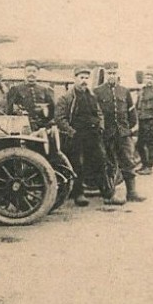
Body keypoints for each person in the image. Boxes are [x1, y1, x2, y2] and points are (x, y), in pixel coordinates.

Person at [56, 66, 120, 207]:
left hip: (93, 136)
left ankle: (108, 195)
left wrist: (101, 126)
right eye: (81, 78)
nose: (84, 81)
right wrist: (72, 132)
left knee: (101, 163)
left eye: (86, 78)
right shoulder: (66, 98)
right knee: (78, 165)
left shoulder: (91, 95)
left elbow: (99, 113)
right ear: (75, 79)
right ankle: (79, 194)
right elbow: (60, 119)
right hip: (76, 137)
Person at [95, 62, 143, 203]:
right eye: (109, 73)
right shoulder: (97, 92)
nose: (112, 76)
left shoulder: (124, 91)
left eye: (114, 73)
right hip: (105, 134)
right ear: (105, 74)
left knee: (128, 161)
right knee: (107, 164)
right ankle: (109, 195)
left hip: (123, 133)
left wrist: (130, 129)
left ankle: (132, 193)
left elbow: (131, 113)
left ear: (118, 74)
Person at [7, 60, 55, 131]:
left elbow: (52, 109)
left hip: (42, 127)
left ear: (38, 72)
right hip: (23, 126)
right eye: (29, 71)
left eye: (34, 71)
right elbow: (10, 110)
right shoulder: (16, 89)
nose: (31, 74)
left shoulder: (45, 90)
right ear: (24, 72)